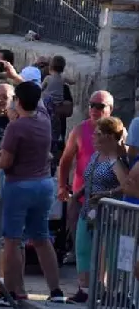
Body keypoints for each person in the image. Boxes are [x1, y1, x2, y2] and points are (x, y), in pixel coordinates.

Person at [0, 81, 66, 305]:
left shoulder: (15, 128)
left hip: (20, 185)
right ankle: (56, 291)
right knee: (42, 238)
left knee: (12, 241)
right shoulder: (44, 120)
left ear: (18, 101)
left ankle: (12, 291)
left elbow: (6, 160)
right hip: (44, 184)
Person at [68, 116, 130, 303]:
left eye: (98, 134)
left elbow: (126, 185)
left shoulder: (115, 159)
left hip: (110, 213)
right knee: (83, 248)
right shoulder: (96, 155)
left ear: (110, 137)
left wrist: (107, 193)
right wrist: (77, 193)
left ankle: (110, 292)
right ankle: (85, 289)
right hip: (88, 209)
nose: (93, 136)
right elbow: (90, 178)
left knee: (110, 252)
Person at [59, 90, 114, 266]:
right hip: (80, 196)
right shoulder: (79, 130)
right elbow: (66, 159)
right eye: (91, 105)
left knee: (103, 244)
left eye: (100, 106)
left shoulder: (118, 131)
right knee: (80, 244)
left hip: (106, 199)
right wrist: (62, 186)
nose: (94, 109)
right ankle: (83, 282)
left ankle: (98, 280)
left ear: (110, 109)